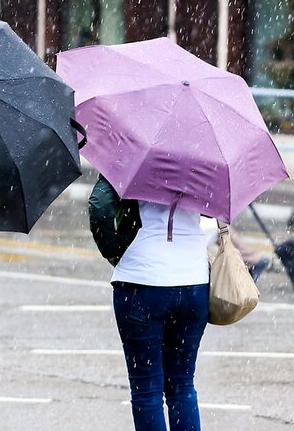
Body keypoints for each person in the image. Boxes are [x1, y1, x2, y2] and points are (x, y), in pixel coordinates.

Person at [90, 175, 209, 431]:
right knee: (182, 384)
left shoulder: (132, 147)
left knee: (147, 389)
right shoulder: (205, 152)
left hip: (141, 279)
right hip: (194, 280)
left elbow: (100, 207)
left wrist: (113, 250)